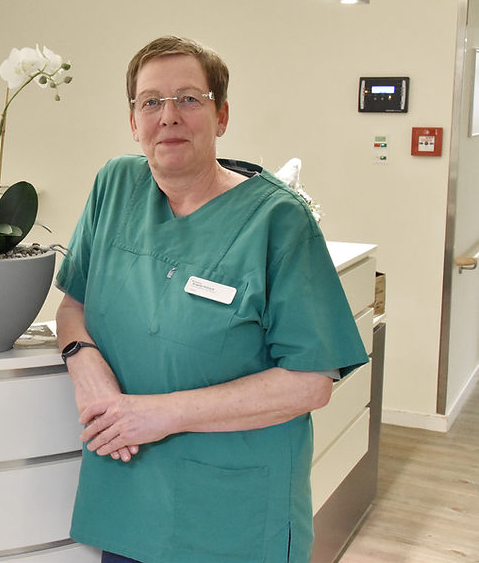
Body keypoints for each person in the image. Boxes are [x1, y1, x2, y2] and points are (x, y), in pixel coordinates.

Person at [54, 36, 369, 563]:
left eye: (188, 99)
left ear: (221, 116)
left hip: (232, 512)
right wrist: (83, 365)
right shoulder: (114, 187)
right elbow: (73, 305)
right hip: (128, 492)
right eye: (150, 101)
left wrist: (158, 415)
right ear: (133, 121)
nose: (168, 115)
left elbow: (311, 383)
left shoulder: (277, 222)